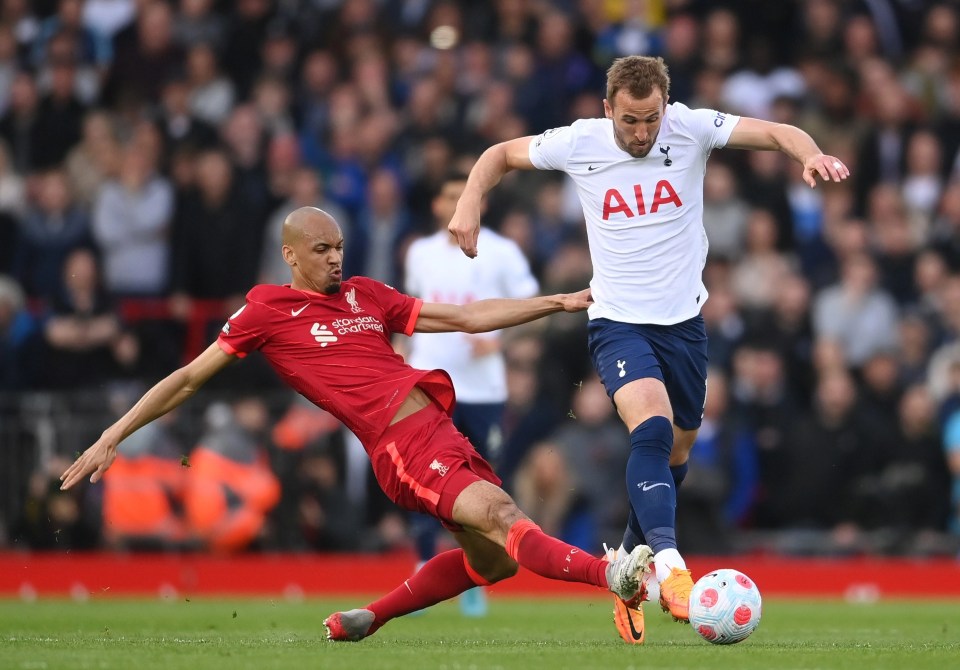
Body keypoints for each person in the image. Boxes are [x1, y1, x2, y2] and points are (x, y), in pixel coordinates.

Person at [60, 206, 653, 642]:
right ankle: (615, 574)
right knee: (504, 517)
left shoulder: (367, 295)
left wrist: (559, 302)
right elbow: (189, 377)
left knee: (494, 561)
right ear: (291, 256)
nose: (335, 257)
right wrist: (115, 433)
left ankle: (374, 614)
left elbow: (468, 317)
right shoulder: (267, 308)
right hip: (399, 446)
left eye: (339, 245)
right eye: (320, 249)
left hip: (442, 433)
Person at [447, 55, 850, 644]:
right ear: (607, 109)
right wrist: (468, 201)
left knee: (679, 449)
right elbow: (498, 154)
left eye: (651, 120)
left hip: (684, 324)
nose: (641, 133)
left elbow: (775, 132)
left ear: (666, 107)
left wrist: (809, 153)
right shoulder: (580, 141)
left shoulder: (690, 127)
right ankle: (669, 568)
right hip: (616, 322)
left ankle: (629, 573)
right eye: (630, 121)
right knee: (653, 432)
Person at [403, 169, 540, 616]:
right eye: (448, 195)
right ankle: (423, 570)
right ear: (437, 206)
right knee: (423, 483)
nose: (455, 204)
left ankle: (477, 574)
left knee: (483, 484)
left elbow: (533, 311)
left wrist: (497, 341)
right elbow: (407, 315)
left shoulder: (501, 253)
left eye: (465, 196)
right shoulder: (420, 254)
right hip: (428, 389)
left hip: (483, 390)